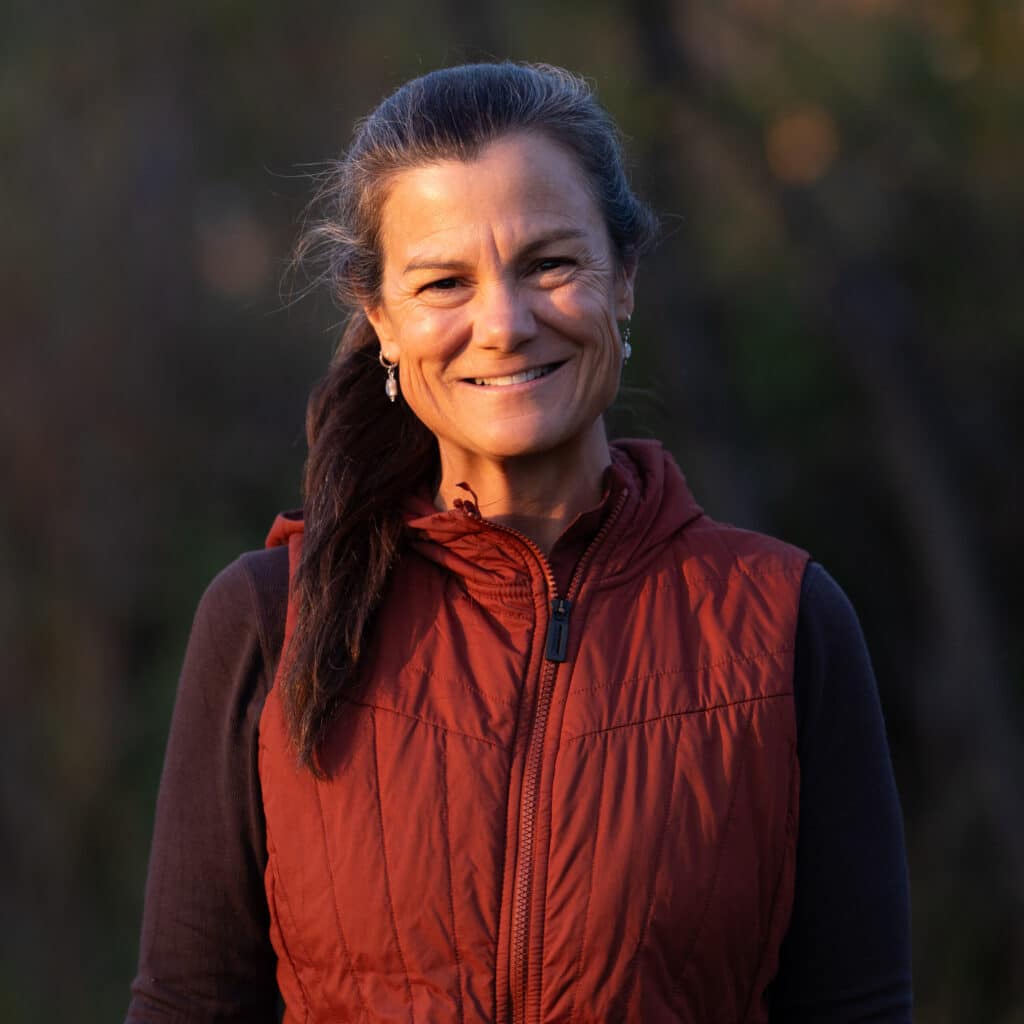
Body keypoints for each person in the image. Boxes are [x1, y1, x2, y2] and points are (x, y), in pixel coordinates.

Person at [127, 62, 912, 1023]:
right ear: (382, 321)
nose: (502, 323)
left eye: (550, 264)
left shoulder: (784, 621)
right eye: (443, 282)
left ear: (624, 282)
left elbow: (858, 1009)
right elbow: (184, 1003)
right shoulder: (265, 618)